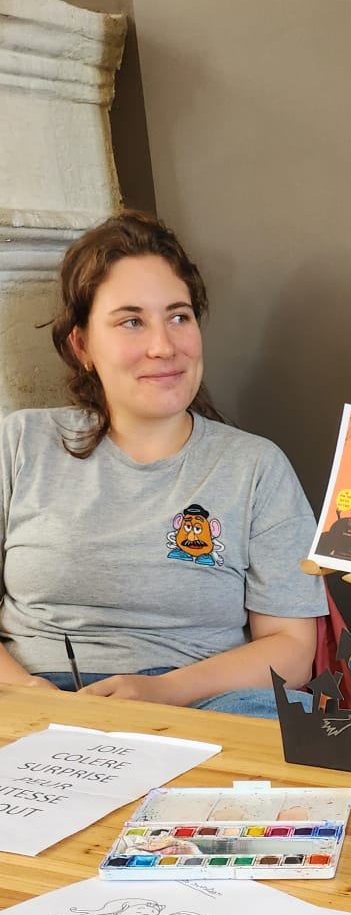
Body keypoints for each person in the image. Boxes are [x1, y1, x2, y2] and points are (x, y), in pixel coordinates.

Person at [0, 211, 328, 714]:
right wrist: (27, 693)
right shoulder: (21, 442)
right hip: (34, 695)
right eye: (131, 321)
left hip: (210, 701)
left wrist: (160, 692)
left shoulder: (256, 467)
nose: (163, 346)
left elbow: (291, 648)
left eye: (178, 316)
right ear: (82, 345)